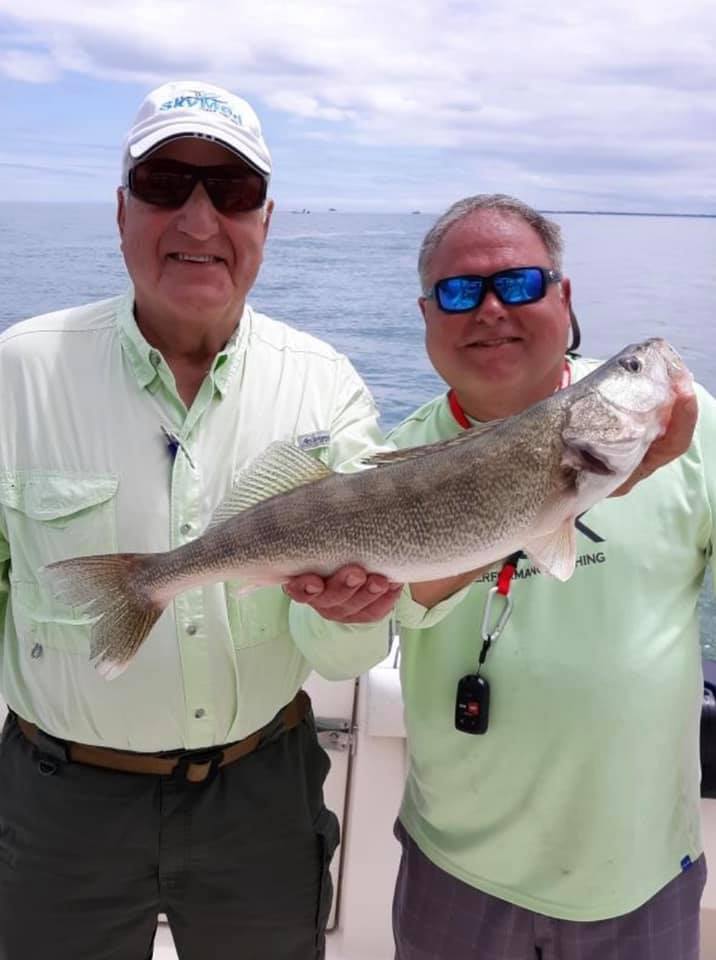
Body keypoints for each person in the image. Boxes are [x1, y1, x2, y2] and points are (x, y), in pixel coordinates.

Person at [0, 80, 401, 960]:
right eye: (164, 183)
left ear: (266, 220)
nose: (196, 220)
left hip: (259, 795)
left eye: (231, 192)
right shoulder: (16, 374)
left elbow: (344, 653)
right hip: (59, 803)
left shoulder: (327, 386)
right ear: (119, 210)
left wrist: (353, 617)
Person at [389, 194, 714, 960]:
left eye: (523, 283)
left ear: (565, 297)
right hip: (454, 867)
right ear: (428, 314)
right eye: (461, 292)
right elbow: (333, 650)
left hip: (640, 875)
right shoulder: (393, 461)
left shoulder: (691, 442)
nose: (492, 308)